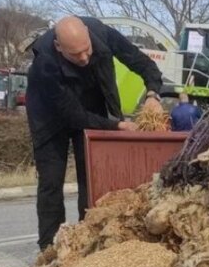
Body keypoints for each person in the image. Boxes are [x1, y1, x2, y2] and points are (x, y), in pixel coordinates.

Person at [26, 15, 164, 251]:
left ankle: (89, 241)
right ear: (59, 47)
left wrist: (153, 94)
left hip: (92, 104)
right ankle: (50, 249)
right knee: (51, 182)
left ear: (89, 35)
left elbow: (143, 64)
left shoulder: (103, 33)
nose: (84, 58)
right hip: (50, 115)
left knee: (91, 178)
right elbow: (72, 114)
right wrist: (116, 126)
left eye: (86, 50)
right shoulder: (44, 64)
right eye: (75, 54)